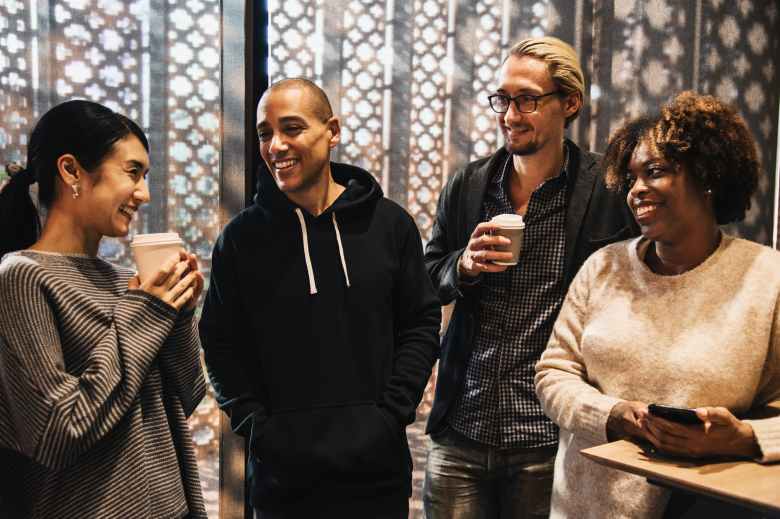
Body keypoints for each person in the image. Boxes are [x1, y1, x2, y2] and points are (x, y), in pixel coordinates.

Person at [199, 78, 441, 518]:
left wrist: (390, 415)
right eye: (265, 133)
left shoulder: (390, 226)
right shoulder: (240, 239)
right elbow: (219, 343)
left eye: (291, 128)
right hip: (282, 481)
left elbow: (420, 324)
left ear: (332, 130)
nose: (276, 146)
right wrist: (258, 427)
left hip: (376, 474)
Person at [535, 91, 780, 518]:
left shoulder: (767, 278)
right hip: (582, 505)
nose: (636, 191)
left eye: (655, 172)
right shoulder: (604, 267)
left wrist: (743, 438)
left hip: (701, 508)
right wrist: (613, 414)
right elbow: (553, 372)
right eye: (630, 178)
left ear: (708, 175)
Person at [422, 36, 637, 518]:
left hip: (547, 437)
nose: (509, 114)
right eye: (503, 98)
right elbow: (426, 276)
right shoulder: (470, 185)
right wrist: (464, 265)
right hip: (462, 427)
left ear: (570, 103)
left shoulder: (605, 191)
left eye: (527, 99)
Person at [0, 100, 207, 519]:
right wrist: (146, 312)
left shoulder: (125, 282)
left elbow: (185, 397)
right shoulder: (21, 277)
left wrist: (178, 311)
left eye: (146, 177)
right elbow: (59, 429)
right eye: (133, 172)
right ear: (72, 170)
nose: (144, 194)